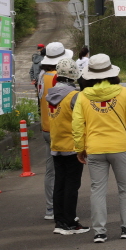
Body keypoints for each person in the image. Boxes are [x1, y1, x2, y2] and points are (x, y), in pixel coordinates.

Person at [73, 53, 126, 243]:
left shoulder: (82, 96)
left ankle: (99, 232)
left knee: (97, 190)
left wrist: (79, 148)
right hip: (120, 147)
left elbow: (78, 125)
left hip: (95, 149)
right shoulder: (122, 93)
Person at [47, 58, 89, 235]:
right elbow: (81, 122)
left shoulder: (51, 94)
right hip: (72, 145)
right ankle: (70, 223)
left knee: (60, 184)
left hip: (56, 145)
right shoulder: (75, 96)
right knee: (72, 185)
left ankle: (60, 221)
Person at [38, 42, 73, 220]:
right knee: (66, 171)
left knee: (51, 170)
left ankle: (51, 208)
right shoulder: (55, 78)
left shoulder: (42, 75)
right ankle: (58, 208)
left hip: (45, 126)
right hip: (58, 128)